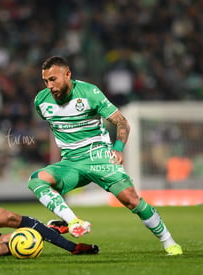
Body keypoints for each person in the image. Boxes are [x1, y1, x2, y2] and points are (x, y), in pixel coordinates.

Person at [27, 56, 182, 256]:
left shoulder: (90, 93)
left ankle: (168, 240)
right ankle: (73, 221)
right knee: (36, 181)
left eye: (53, 79)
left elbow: (122, 122)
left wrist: (117, 148)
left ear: (68, 74)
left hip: (99, 157)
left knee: (131, 200)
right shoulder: (41, 101)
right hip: (71, 163)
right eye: (46, 81)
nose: (50, 86)